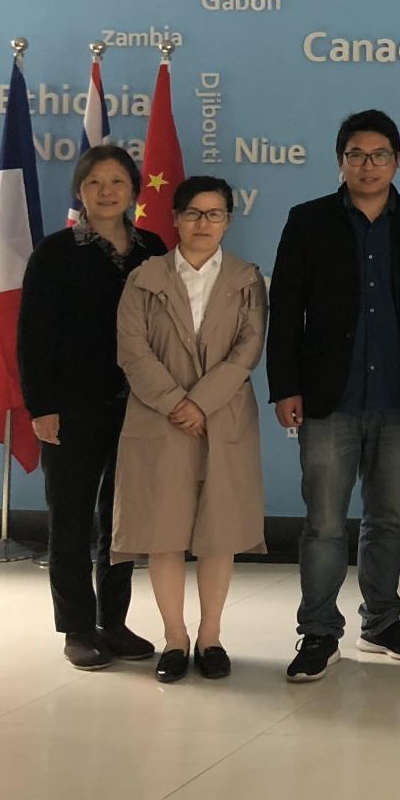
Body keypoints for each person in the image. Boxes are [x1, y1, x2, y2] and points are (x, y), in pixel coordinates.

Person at [269, 109, 400, 682]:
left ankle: (382, 622)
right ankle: (319, 631)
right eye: (357, 155)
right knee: (324, 523)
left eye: (380, 154)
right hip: (327, 399)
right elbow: (286, 309)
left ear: (398, 161)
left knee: (389, 518)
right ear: (340, 161)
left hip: (397, 395)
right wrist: (284, 386)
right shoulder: (308, 220)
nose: (368, 165)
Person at [16, 145, 166, 671]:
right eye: (95, 182)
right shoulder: (55, 252)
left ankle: (113, 621)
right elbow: (33, 336)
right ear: (79, 190)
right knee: (71, 519)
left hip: (138, 406)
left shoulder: (152, 248)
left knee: (122, 521)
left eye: (117, 182)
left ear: (133, 191)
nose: (106, 191)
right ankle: (77, 627)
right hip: (71, 408)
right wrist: (42, 406)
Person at [113, 176, 268, 683]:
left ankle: (211, 638)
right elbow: (133, 351)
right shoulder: (145, 278)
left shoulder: (246, 278)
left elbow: (247, 350)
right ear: (175, 219)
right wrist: (177, 402)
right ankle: (175, 639)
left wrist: (200, 402)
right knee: (165, 532)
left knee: (219, 533)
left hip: (222, 417)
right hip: (160, 418)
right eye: (194, 213)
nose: (204, 223)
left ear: (228, 220)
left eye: (215, 213)